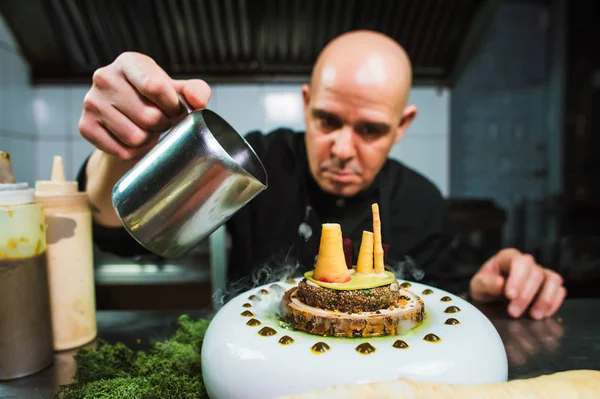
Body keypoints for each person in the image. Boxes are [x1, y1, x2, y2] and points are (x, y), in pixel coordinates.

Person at [77, 30, 566, 320]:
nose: (343, 149)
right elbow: (116, 234)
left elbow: (443, 294)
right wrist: (124, 149)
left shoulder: (419, 200)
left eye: (371, 130)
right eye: (328, 121)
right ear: (307, 105)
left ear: (403, 126)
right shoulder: (259, 161)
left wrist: (489, 284)